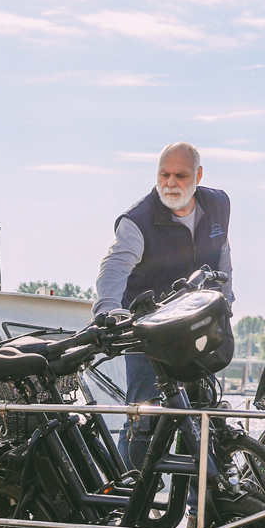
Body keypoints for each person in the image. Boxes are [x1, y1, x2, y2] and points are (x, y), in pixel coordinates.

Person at [94, 143, 232, 471]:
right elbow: (114, 268)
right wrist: (107, 311)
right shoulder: (138, 219)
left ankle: (198, 509)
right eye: (164, 174)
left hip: (195, 324)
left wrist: (227, 299)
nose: (170, 183)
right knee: (144, 420)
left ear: (198, 176)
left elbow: (223, 252)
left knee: (199, 417)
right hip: (146, 333)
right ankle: (130, 498)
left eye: (181, 176)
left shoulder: (218, 205)